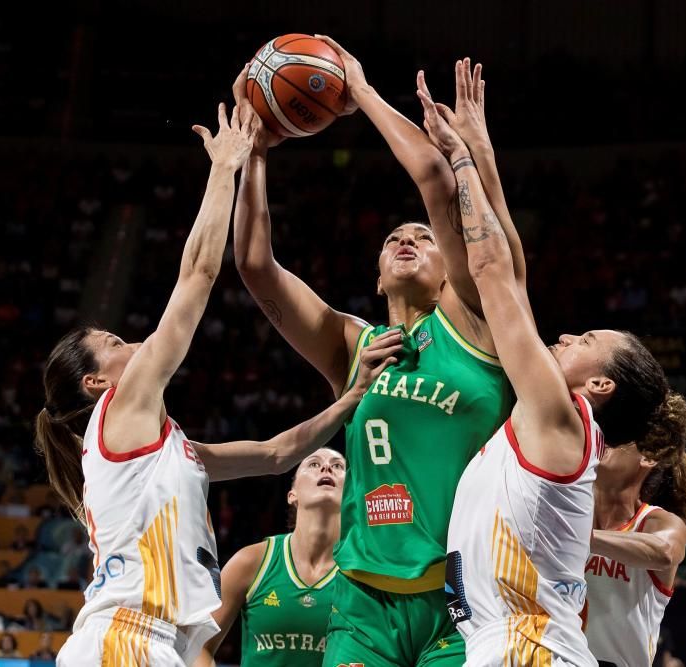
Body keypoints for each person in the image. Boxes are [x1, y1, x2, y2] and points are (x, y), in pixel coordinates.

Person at [37, 100, 399, 666]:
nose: (131, 343)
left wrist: (352, 398)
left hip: (155, 643)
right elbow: (197, 276)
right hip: (126, 639)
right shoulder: (119, 407)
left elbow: (275, 454)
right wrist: (224, 168)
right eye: (114, 345)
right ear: (94, 382)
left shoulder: (160, 447)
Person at [231, 42, 519, 666]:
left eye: (422, 235)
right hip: (362, 601)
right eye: (393, 239)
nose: (406, 239)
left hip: (462, 597)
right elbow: (255, 266)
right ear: (379, 276)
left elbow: (437, 180)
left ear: (452, 268)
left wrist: (356, 89)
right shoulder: (352, 345)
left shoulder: (474, 322)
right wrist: (253, 154)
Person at [418, 62, 686, 666]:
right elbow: (510, 272)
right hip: (509, 645)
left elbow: (493, 276)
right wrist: (483, 154)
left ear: (599, 384)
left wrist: (460, 161)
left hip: (530, 649)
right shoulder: (548, 419)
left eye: (587, 337)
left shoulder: (560, 419)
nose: (565, 334)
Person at [194, 448, 346, 666]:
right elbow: (198, 645)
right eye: (313, 463)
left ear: (351, 494)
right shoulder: (252, 561)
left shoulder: (359, 571)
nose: (326, 467)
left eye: (338, 466)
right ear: (292, 494)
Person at [583, 415, 686, 666]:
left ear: (648, 457)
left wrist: (579, 537)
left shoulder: (659, 523)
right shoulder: (571, 510)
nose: (603, 442)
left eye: (616, 440)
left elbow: (664, 552)